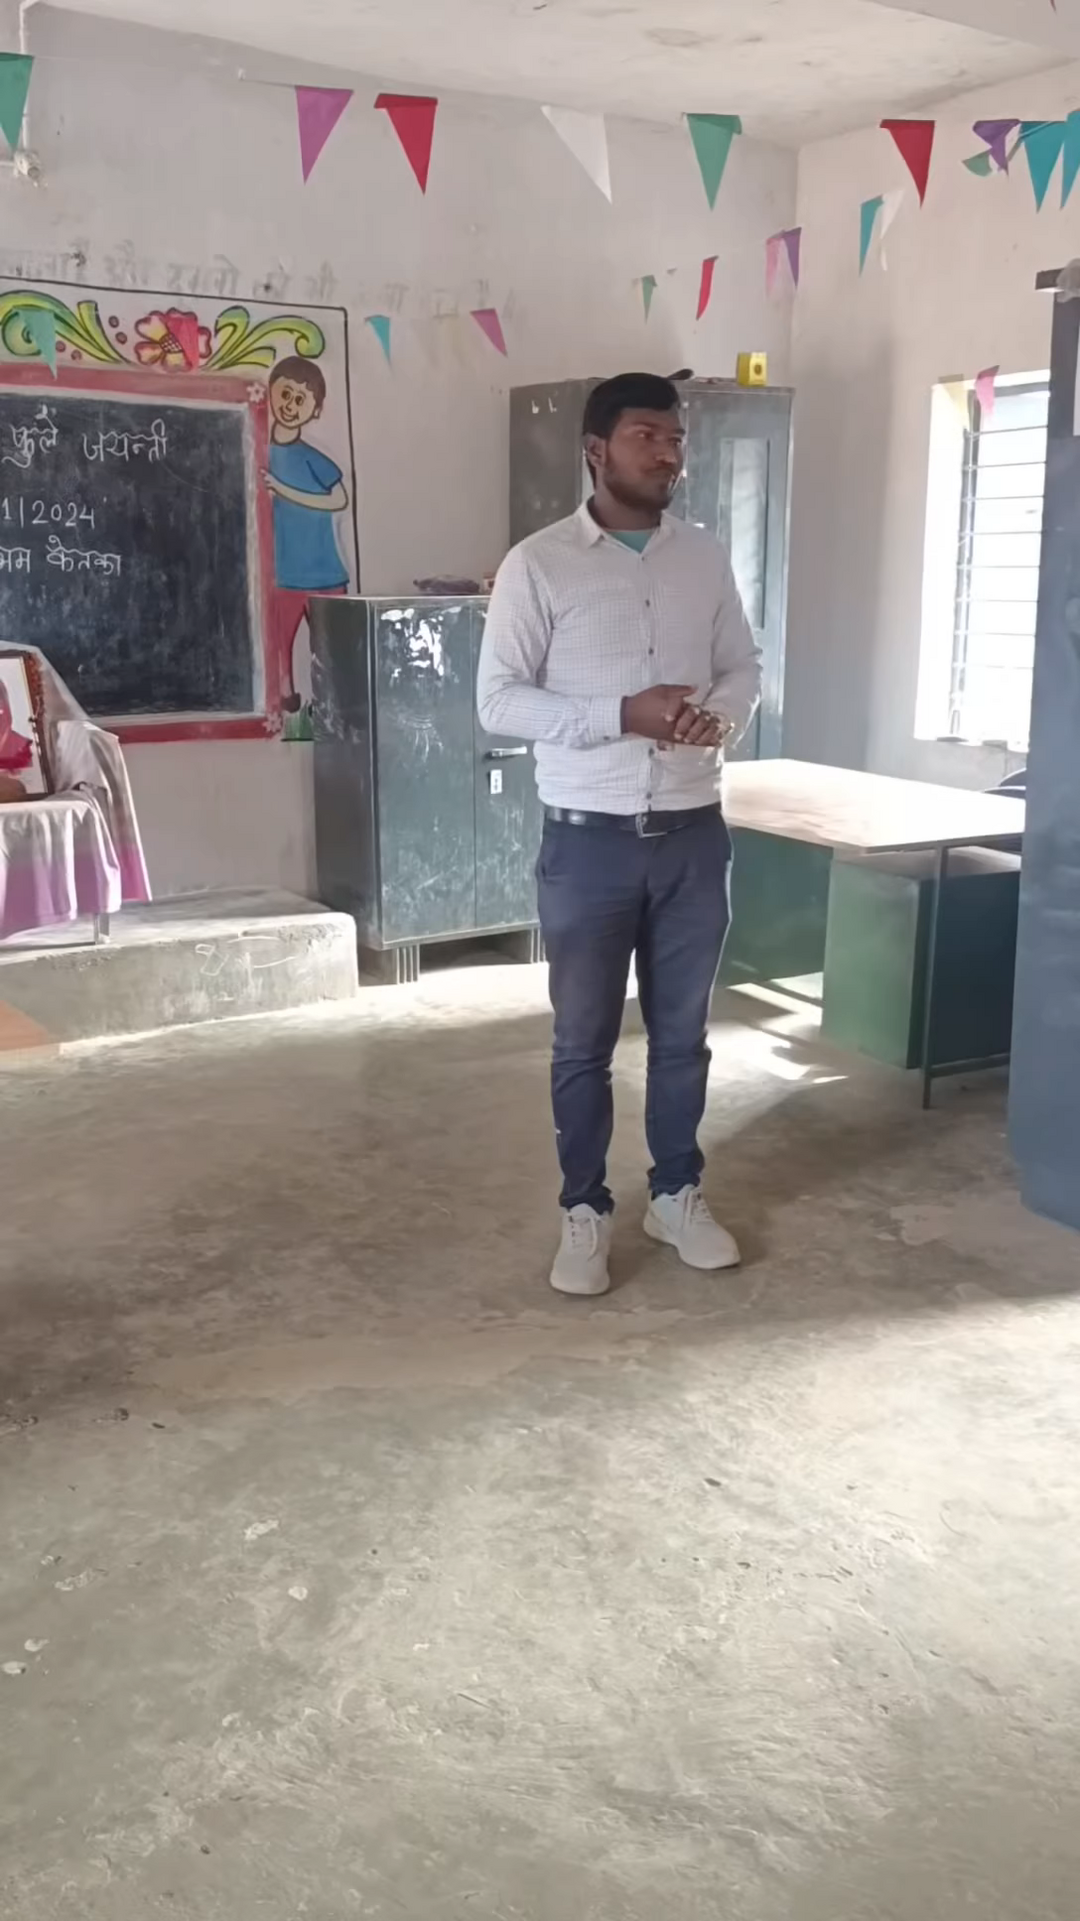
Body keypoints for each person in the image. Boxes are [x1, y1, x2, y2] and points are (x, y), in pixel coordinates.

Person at [477, 372, 762, 1298]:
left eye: (676, 438)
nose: (669, 453)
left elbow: (742, 664)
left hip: (692, 835)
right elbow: (498, 700)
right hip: (588, 843)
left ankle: (675, 1193)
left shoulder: (704, 557)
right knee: (582, 1043)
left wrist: (721, 715)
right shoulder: (539, 564)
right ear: (596, 449)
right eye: (648, 436)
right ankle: (585, 1207)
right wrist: (620, 714)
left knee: (683, 1035)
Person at [262, 356, 350, 707]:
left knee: (332, 653)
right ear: (270, 392)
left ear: (315, 410)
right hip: (281, 575)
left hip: (324, 573)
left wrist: (283, 490)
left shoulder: (312, 458)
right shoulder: (258, 451)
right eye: (285, 394)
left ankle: (332, 709)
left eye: (301, 399)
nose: (290, 405)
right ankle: (287, 704)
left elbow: (338, 499)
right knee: (278, 650)